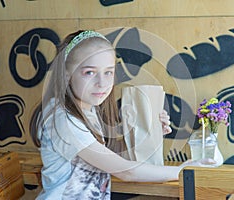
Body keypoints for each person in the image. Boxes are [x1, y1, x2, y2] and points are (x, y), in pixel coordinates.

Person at [30, 30, 206, 199]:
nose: (102, 83)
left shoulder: (88, 109)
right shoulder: (63, 119)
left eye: (108, 72)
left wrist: (151, 133)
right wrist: (182, 172)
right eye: (89, 72)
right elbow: (126, 171)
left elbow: (106, 156)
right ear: (67, 75)